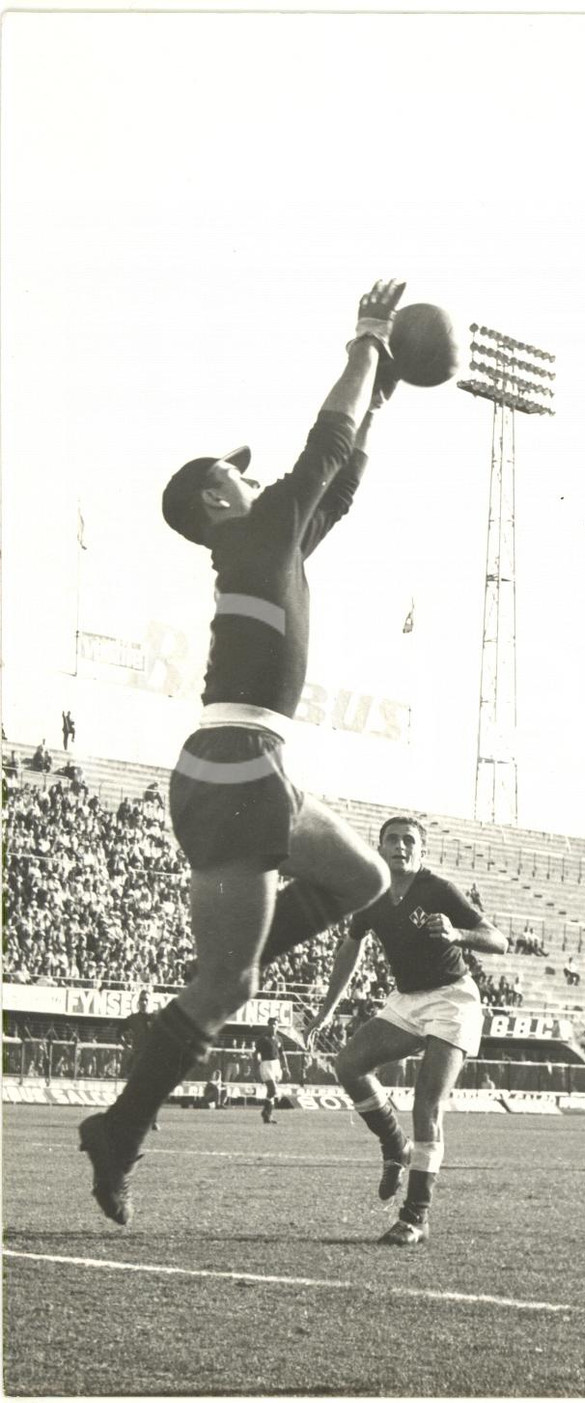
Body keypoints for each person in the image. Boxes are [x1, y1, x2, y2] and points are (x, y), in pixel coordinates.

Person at [78, 278, 407, 1226]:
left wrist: (381, 398)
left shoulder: (270, 542)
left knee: (367, 879)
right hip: (235, 767)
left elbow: (339, 483)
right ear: (216, 496)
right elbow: (324, 446)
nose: (255, 479)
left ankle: (168, 1046)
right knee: (227, 984)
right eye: (238, 472)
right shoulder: (256, 532)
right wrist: (367, 343)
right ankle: (120, 1130)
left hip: (253, 763)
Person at [305, 815, 507, 1247]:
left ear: (422, 851)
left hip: (452, 999)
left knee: (426, 1104)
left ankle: (416, 1216)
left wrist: (457, 933)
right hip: (407, 1000)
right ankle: (395, 1147)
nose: (401, 846)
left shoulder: (438, 889)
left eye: (410, 841)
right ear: (379, 848)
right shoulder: (371, 892)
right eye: (393, 840)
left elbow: (498, 940)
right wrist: (326, 1011)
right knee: (348, 1065)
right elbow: (351, 947)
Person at [119, 991, 160, 1132]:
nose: (144, 1002)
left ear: (150, 1002)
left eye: (146, 999)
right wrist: (126, 1047)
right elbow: (118, 1033)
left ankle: (153, 1121)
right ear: (138, 1001)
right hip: (137, 1058)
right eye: (142, 999)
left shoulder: (155, 1018)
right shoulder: (132, 1019)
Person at [253, 1016, 289, 1124]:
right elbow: (256, 1054)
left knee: (271, 1092)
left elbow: (282, 1054)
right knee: (273, 1090)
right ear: (268, 1026)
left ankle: (268, 1115)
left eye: (275, 1024)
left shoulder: (279, 1039)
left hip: (276, 1065)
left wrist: (286, 1068)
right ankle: (265, 1111)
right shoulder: (263, 1039)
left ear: (277, 1026)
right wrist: (256, 1069)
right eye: (271, 1024)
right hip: (266, 1064)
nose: (273, 1026)